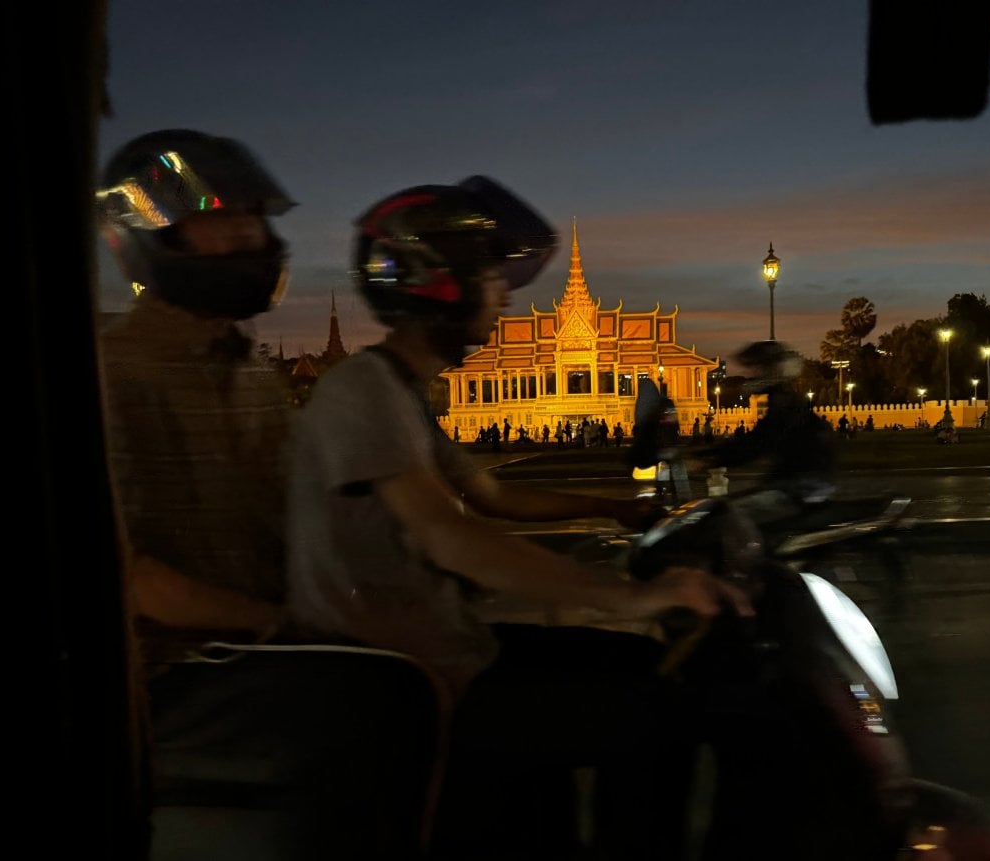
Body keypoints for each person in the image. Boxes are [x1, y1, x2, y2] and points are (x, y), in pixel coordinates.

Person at [285, 176, 752, 860]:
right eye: (488, 277)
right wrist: (630, 594)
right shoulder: (358, 389)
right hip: (406, 680)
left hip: (448, 645)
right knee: (658, 717)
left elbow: (492, 496)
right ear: (437, 285)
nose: (504, 294)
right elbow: (448, 533)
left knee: (646, 663)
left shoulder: (404, 392)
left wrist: (614, 507)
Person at [98, 130, 444, 858]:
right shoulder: (111, 373)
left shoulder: (253, 371)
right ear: (149, 238)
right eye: (221, 221)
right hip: (171, 673)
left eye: (253, 220)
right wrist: (294, 625)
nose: (247, 237)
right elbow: (133, 581)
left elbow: (296, 515)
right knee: (391, 699)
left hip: (264, 644)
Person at [701, 341, 837, 504]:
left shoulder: (784, 404)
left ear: (771, 370)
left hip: (802, 489)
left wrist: (708, 459)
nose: (749, 375)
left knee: (730, 516)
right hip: (793, 484)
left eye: (755, 368)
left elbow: (757, 443)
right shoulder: (784, 400)